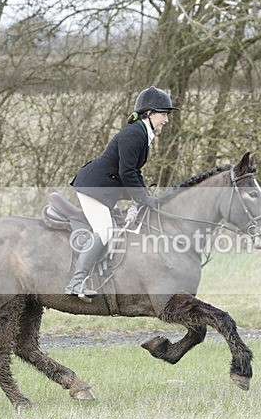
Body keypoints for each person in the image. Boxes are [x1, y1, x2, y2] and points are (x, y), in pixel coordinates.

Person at [65, 86, 179, 300]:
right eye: (164, 114)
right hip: (93, 188)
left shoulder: (142, 134)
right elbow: (126, 173)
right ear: (150, 113)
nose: (166, 119)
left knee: (116, 228)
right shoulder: (134, 134)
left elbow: (135, 172)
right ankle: (76, 282)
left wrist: (147, 197)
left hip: (103, 189)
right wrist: (142, 198)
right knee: (105, 230)